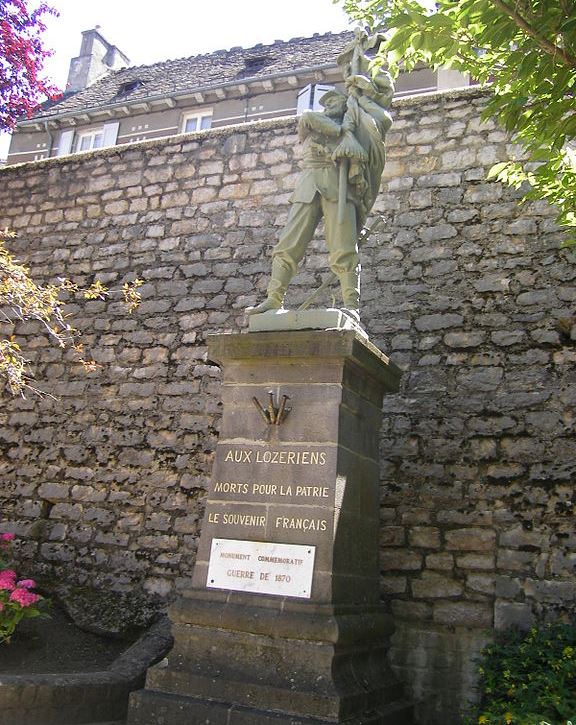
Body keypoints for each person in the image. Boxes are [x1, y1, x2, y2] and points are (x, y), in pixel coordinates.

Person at [248, 31, 393, 319]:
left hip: (340, 187)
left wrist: (361, 93)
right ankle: (274, 298)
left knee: (343, 248)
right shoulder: (318, 122)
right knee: (288, 244)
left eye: (334, 103)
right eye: (326, 103)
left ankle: (351, 305)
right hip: (308, 186)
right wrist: (340, 128)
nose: (329, 105)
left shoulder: (357, 123)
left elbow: (382, 119)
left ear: (343, 106)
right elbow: (308, 121)